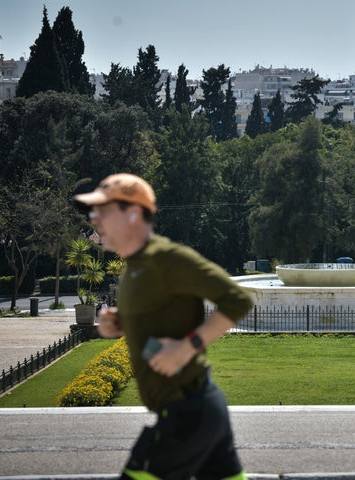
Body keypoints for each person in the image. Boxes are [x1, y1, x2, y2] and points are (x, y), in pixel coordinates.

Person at [73, 173, 253, 480]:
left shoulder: (167, 259)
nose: (94, 221)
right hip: (198, 408)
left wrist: (188, 347)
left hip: (187, 411)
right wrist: (119, 324)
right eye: (93, 213)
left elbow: (238, 299)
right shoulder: (132, 268)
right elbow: (156, 327)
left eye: (102, 212)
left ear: (132, 214)